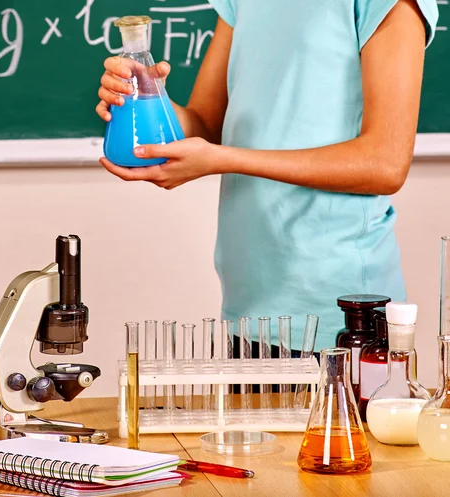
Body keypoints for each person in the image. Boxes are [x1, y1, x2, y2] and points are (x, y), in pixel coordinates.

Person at [95, 0, 438, 353]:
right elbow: (205, 123)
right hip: (246, 307)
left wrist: (224, 159)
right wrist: (142, 99)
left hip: (341, 314)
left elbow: (384, 164)